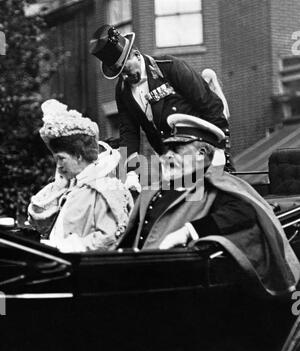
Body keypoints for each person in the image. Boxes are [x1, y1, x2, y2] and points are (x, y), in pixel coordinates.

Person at [116, 113, 300, 297]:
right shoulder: (155, 189)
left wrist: (187, 231)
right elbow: (133, 234)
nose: (168, 156)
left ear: (201, 154)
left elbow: (243, 212)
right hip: (137, 276)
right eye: (168, 149)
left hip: (176, 284)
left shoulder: (218, 185)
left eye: (176, 149)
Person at [89, 24, 233, 192]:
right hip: (170, 162)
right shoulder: (122, 90)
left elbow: (211, 105)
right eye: (119, 73)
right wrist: (128, 174)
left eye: (126, 69)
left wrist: (221, 150)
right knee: (175, 208)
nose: (125, 77)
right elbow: (129, 133)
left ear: (135, 55)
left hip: (200, 153)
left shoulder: (169, 67)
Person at [28, 99, 133, 253]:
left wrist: (63, 248)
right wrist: (58, 188)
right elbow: (41, 222)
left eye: (62, 159)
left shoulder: (104, 189)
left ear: (78, 156)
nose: (58, 166)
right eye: (56, 159)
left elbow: (109, 237)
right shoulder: (71, 187)